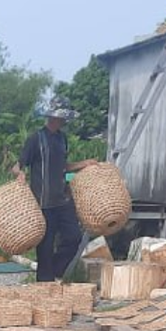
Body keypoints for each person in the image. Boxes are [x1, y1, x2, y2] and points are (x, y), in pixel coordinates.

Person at [11, 96, 98, 283]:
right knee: (45, 247)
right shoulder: (36, 139)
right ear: (53, 117)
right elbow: (17, 166)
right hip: (42, 203)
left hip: (62, 200)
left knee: (74, 237)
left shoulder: (62, 139)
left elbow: (63, 167)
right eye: (61, 117)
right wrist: (20, 175)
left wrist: (84, 164)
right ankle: (45, 284)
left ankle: (56, 270)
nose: (64, 121)